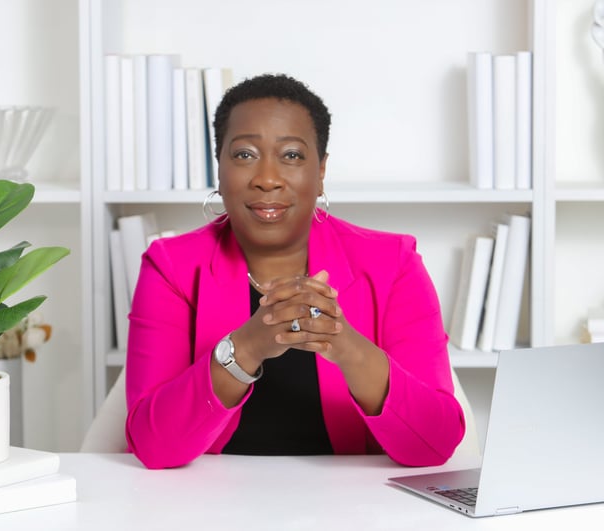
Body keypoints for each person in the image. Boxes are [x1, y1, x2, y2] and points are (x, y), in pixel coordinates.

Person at [125, 73, 465, 469]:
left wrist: (345, 345)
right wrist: (247, 347)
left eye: (291, 155)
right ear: (219, 168)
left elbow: (434, 444)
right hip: (208, 500)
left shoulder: (393, 264)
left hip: (355, 502)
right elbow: (153, 446)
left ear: (320, 172)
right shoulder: (171, 267)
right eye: (244, 155)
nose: (267, 179)